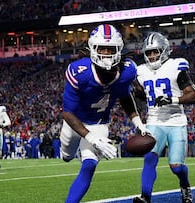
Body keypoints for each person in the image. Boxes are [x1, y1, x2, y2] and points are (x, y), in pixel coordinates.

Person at [60, 24, 151, 203]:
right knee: (66, 157)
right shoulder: (79, 72)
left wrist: (138, 123)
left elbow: (126, 97)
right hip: (75, 122)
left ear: (119, 50)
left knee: (89, 165)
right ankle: (70, 153)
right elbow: (67, 113)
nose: (106, 54)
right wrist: (92, 139)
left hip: (99, 123)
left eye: (111, 49)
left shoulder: (127, 71)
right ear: (92, 49)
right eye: (102, 48)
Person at [133, 32, 195, 203]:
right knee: (149, 159)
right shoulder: (140, 71)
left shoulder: (175, 66)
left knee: (176, 167)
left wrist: (172, 99)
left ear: (164, 50)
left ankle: (185, 186)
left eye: (155, 51)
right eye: (149, 53)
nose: (152, 56)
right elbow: (142, 95)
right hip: (154, 121)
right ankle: (145, 197)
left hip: (176, 122)